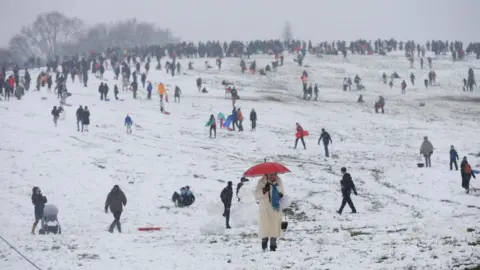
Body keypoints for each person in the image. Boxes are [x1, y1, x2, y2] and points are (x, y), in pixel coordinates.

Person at [254, 173, 285, 251]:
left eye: (273, 174)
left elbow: (282, 191)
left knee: (274, 225)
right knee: (265, 225)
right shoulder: (261, 182)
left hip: (275, 209)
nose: (272, 176)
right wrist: (264, 190)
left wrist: (280, 194)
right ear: (267, 174)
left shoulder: (279, 181)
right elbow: (256, 195)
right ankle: (264, 243)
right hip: (265, 208)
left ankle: (273, 245)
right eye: (270, 174)